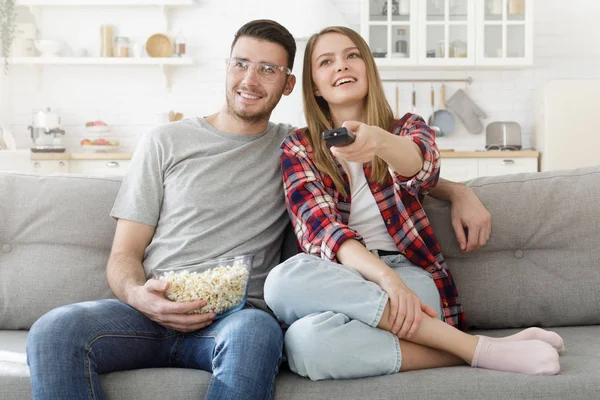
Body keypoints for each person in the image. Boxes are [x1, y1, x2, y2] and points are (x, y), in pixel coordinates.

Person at [26, 19, 493, 400]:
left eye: (267, 70)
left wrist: (456, 190)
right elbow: (123, 253)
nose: (250, 80)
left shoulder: (295, 147)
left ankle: (466, 348)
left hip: (237, 315)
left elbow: (398, 169)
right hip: (151, 309)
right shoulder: (164, 142)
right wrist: (138, 295)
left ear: (290, 84)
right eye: (241, 64)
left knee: (260, 333)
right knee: (53, 332)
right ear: (226, 68)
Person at [264, 26, 564, 381]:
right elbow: (322, 230)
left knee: (310, 335)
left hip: (410, 278)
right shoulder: (297, 147)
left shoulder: (407, 128)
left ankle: (465, 346)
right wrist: (385, 280)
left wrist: (380, 142)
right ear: (314, 85)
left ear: (367, 68)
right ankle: (477, 349)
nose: (341, 66)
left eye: (351, 55)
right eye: (326, 61)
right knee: (296, 320)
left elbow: (422, 170)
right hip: (341, 279)